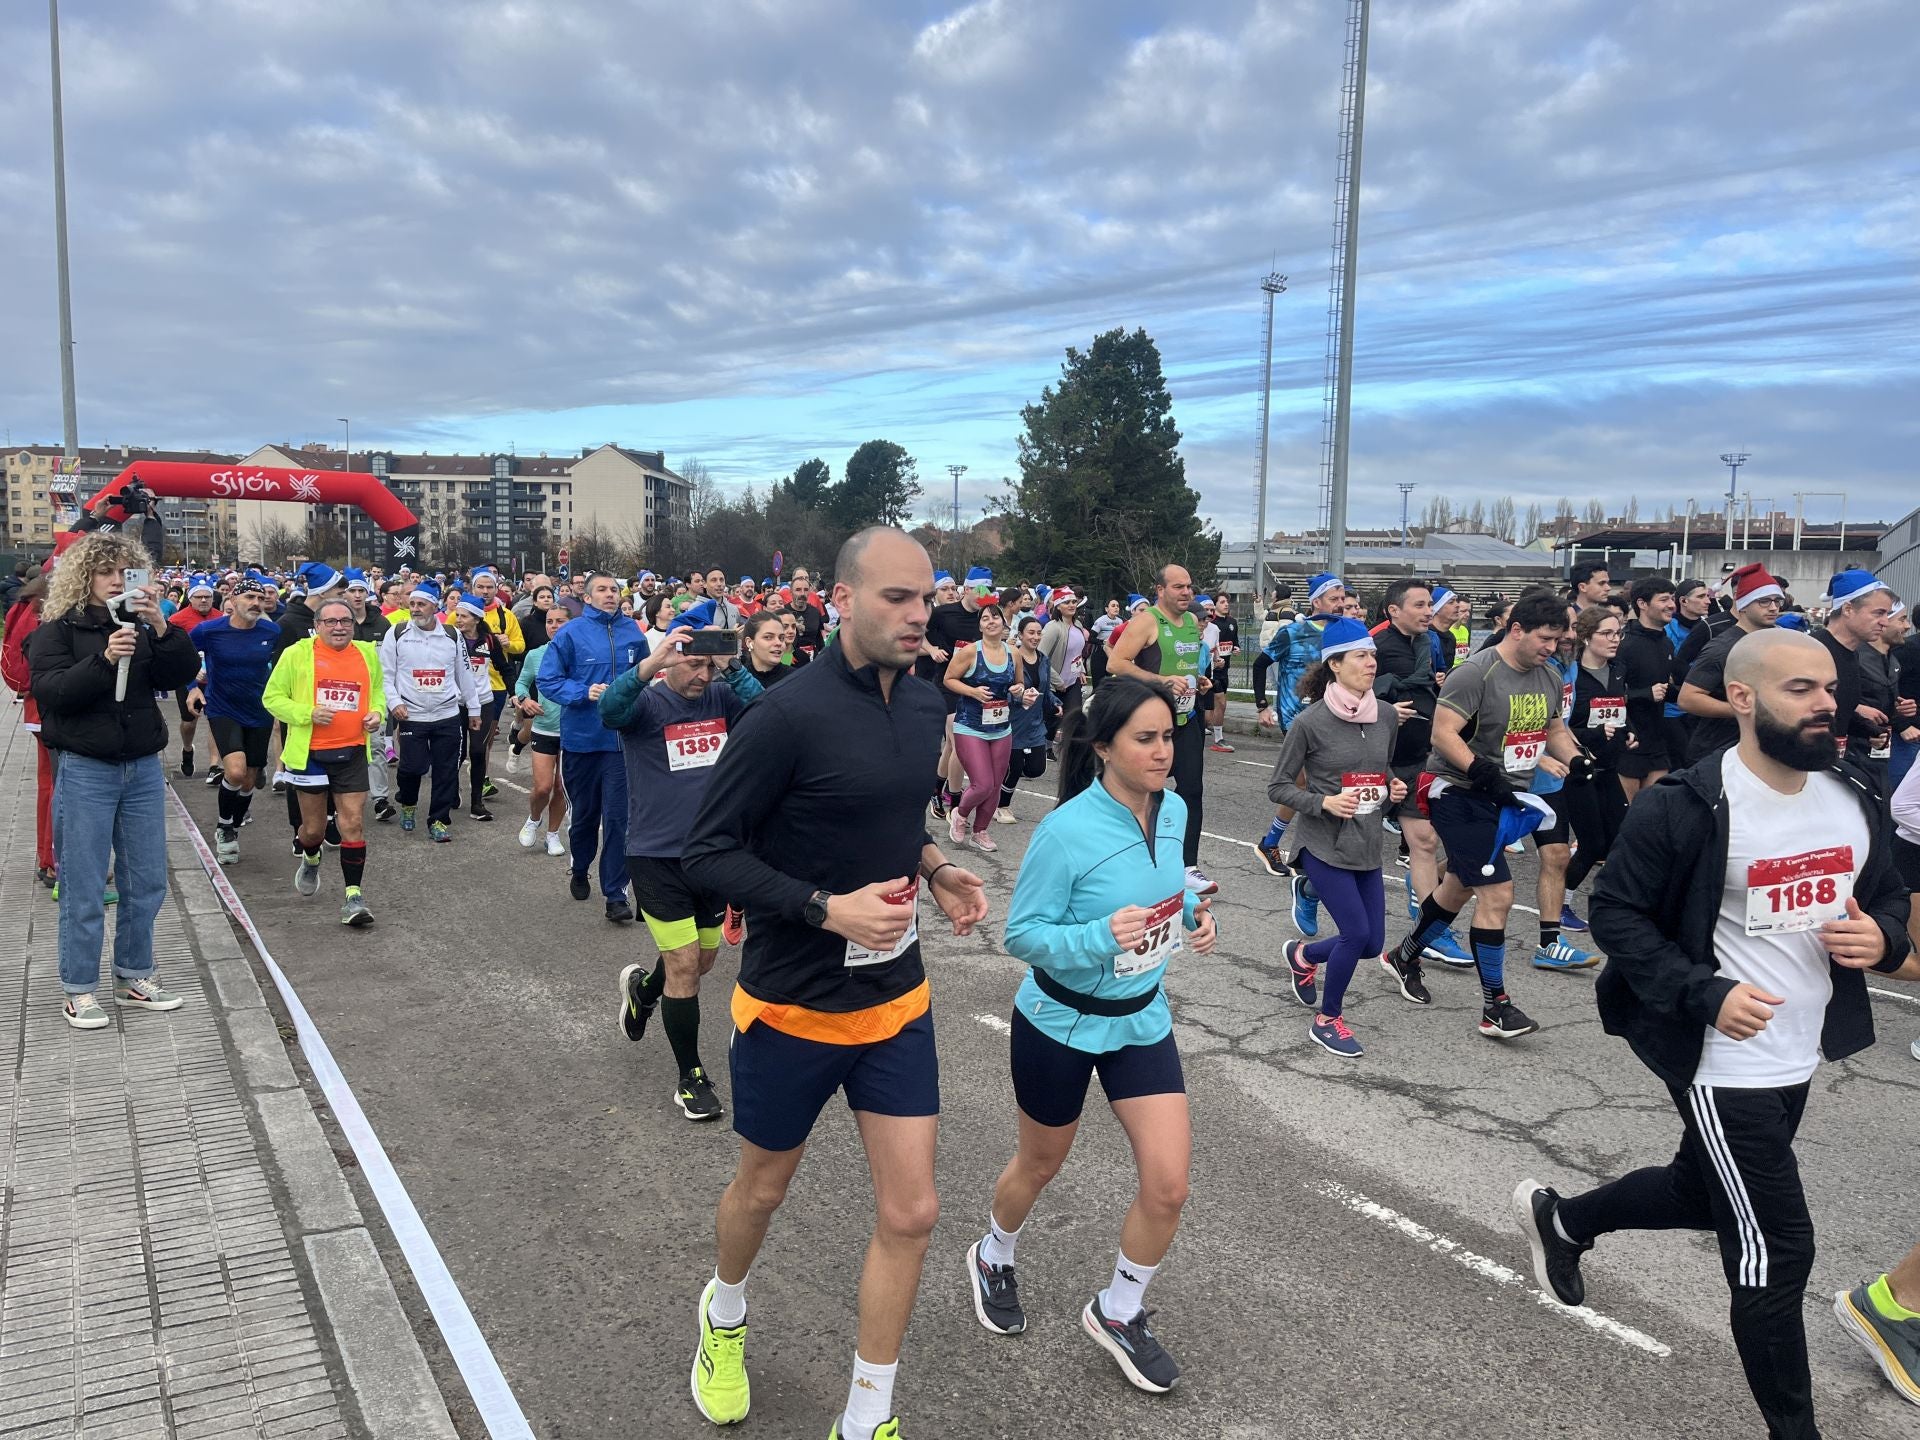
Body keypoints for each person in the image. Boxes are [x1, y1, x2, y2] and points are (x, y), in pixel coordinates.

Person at [1512, 629, 1914, 1440]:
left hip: (1800, 1046)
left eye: (1827, 687)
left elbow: (1886, 895)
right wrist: (1706, 993)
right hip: (1722, 1057)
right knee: (1777, 1247)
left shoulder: (1849, 793)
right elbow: (1619, 915)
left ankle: (1564, 1220)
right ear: (1742, 699)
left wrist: (1887, 941)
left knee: (1700, 1191)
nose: (1824, 702)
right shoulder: (1687, 803)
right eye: (1799, 689)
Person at [679, 527, 989, 1439]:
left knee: (915, 1209)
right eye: (895, 597)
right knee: (763, 1190)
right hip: (793, 1001)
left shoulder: (929, 705)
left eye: (924, 598)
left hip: (895, 1000)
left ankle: (868, 1416)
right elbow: (708, 853)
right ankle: (723, 1314)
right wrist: (825, 908)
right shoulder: (785, 714)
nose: (915, 613)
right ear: (842, 601)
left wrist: (933, 866)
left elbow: (890, 817)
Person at [966, 675, 1216, 1392]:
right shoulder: (1067, 830)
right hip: (1060, 1022)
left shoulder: (1174, 810)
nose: (1163, 751)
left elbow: (1172, 881)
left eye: (1168, 736)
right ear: (1103, 747)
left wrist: (1196, 911)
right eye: (1145, 739)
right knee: (1040, 1164)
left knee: (1168, 1187)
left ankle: (1120, 1310)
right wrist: (1099, 937)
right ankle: (994, 1252)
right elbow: (1022, 934)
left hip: (1141, 1017)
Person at [1380, 591, 1581, 1033]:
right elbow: (1443, 733)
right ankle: (1496, 1007)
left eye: (1558, 639)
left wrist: (1579, 760)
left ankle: (1403, 956)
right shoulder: (1477, 672)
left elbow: (1553, 728)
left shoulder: (1547, 675)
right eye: (1545, 638)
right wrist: (1481, 769)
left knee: (1458, 886)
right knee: (1497, 894)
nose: (1552, 647)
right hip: (1457, 790)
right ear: (1516, 630)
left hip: (1506, 797)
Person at [29, 532, 201, 1028]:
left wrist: (162, 626)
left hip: (142, 766)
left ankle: (132, 977)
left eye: (127, 572)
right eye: (107, 572)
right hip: (86, 768)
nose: (118, 581)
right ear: (85, 579)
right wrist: (104, 659)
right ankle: (79, 988)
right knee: (83, 883)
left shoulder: (143, 626)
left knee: (146, 880)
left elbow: (180, 671)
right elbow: (53, 692)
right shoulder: (58, 630)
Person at [602, 609, 760, 1123]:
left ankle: (643, 991)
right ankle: (690, 1076)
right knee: (687, 965)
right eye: (692, 666)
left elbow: (769, 712)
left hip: (712, 854)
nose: (701, 676)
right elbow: (609, 709)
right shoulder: (646, 701)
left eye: (707, 667)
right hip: (654, 854)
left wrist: (731, 666)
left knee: (702, 961)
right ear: (670, 660)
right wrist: (651, 664)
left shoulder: (721, 693)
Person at [1267, 619, 1402, 1056]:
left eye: (1372, 655)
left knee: (1373, 943)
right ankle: (1328, 1020)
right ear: (1335, 664)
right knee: (1354, 933)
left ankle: (1303, 957)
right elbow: (1279, 787)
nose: (1371, 662)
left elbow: (1380, 770)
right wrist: (1323, 802)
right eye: (1361, 656)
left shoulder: (1384, 714)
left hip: (1366, 844)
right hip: (1322, 845)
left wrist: (1392, 787)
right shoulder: (1310, 722)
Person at [263, 596, 385, 927]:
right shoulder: (297, 655)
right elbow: (272, 698)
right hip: (310, 755)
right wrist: (308, 713)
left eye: (345, 621)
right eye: (330, 622)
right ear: (317, 626)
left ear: (353, 625)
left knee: (352, 824)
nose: (339, 627)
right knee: (314, 830)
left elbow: (377, 694)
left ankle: (353, 897)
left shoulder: (367, 654)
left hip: (353, 751)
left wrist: (376, 713)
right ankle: (311, 855)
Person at [539, 573, 649, 923]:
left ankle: (615, 894)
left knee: (619, 820)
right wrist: (583, 692)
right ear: (586, 598)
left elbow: (646, 676)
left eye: (614, 590)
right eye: (602, 590)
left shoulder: (634, 631)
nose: (610, 595)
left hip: (622, 743)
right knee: (585, 817)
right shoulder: (570, 633)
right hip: (583, 742)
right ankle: (580, 866)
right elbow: (548, 680)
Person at [1106, 565, 1216, 895]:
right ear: (1160, 590)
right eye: (1178, 587)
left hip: (1185, 719)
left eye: (1189, 587)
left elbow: (1183, 666)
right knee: (1144, 791)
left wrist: (1199, 682)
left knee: (1192, 789)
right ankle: (1129, 858)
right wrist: (1161, 682)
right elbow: (1116, 664)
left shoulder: (1192, 624)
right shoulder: (1147, 621)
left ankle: (1187, 866)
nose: (1186, 592)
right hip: (1148, 723)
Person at [378, 580, 485, 843]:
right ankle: (409, 803)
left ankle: (438, 819)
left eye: (421, 604)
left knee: (446, 771)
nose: (415, 609)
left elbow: (464, 673)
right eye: (412, 603)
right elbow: (385, 675)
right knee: (412, 768)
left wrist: (473, 708)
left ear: (434, 606)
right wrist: (395, 703)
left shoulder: (451, 635)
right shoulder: (397, 632)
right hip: (411, 713)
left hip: (446, 713)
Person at [187, 579, 281, 866]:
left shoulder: (271, 630)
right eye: (249, 597)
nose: (256, 603)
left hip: (259, 709)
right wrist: (192, 685)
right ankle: (224, 826)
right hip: (223, 706)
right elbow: (183, 656)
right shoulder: (209, 630)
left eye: (260, 598)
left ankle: (233, 827)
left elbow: (282, 665)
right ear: (233, 599)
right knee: (237, 771)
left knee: (250, 777)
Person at [1678, 565, 1784, 763]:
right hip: (1717, 751)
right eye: (1764, 601)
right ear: (1742, 604)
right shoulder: (1724, 646)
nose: (1773, 607)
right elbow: (1688, 699)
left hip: (1755, 748)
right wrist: (1743, 710)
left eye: (1777, 601)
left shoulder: (1773, 640)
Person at [944, 600, 1018, 851]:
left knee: (995, 785)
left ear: (1003, 622)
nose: (991, 621)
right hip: (970, 726)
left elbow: (1017, 687)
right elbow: (949, 679)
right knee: (983, 783)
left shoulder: (1013, 653)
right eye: (985, 618)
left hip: (1001, 727)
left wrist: (1022, 692)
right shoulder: (969, 652)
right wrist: (973, 692)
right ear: (980, 626)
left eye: (995, 617)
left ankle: (980, 831)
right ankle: (960, 814)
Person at [922, 566, 990, 817]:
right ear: (968, 589)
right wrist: (931, 650)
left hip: (972, 685)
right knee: (958, 740)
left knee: (952, 746)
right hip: (946, 682)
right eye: (981, 590)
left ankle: (935, 789)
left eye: (988, 590)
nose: (985, 595)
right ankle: (956, 801)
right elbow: (919, 635)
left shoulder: (986, 615)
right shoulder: (943, 613)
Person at [1815, 569, 1894, 767]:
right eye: (1879, 613)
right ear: (1848, 609)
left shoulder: (1853, 653)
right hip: (1805, 765)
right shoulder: (1813, 651)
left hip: (1832, 761)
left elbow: (1843, 710)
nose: (1885, 622)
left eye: (1888, 614)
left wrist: (1869, 730)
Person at [510, 605, 571, 855]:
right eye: (549, 621)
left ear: (571, 624)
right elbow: (521, 683)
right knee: (543, 787)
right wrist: (524, 700)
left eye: (560, 621)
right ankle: (534, 819)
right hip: (545, 727)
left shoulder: (582, 655)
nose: (554, 626)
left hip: (573, 731)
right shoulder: (536, 655)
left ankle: (553, 834)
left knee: (561, 787)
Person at [1616, 575, 1677, 802]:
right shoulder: (1624, 644)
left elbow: (1667, 689)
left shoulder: (1666, 643)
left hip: (1658, 741)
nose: (1671, 605)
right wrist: (1644, 694)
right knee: (1626, 815)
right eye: (1664, 600)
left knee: (1652, 813)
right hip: (1629, 742)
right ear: (1642, 604)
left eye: (1672, 599)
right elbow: (1608, 695)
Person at [996, 614, 1060, 822]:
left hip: (1034, 723)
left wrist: (1055, 704)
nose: (1035, 637)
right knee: (1014, 768)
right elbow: (1001, 690)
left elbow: (1046, 688)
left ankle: (998, 783)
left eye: (1038, 633)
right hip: (1013, 721)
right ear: (1020, 635)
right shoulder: (1011, 658)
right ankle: (1002, 806)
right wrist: (1019, 697)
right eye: (1031, 633)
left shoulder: (1043, 659)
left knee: (1036, 768)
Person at [168, 576, 219, 776]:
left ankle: (215, 766)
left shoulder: (222, 618)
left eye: (207, 597)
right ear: (191, 599)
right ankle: (187, 749)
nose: (204, 600)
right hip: (188, 679)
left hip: (215, 679)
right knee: (189, 722)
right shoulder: (177, 620)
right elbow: (170, 650)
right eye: (199, 597)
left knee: (216, 719)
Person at [1036, 587, 1087, 727]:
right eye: (1066, 602)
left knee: (1074, 721)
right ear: (1058, 606)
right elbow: (1040, 657)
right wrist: (1057, 681)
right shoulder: (1052, 628)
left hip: (1073, 682)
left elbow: (1077, 652)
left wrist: (1081, 669)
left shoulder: (1078, 624)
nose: (1071, 605)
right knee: (1054, 725)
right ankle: (1050, 748)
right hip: (1055, 685)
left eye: (1074, 602)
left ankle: (1071, 748)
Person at [1203, 591, 1238, 752]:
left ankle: (1217, 737)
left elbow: (1230, 644)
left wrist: (1235, 648)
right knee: (1214, 708)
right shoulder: (1207, 624)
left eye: (1227, 602)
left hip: (1223, 670)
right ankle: (1214, 737)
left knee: (1218, 707)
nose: (1226, 604)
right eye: (1222, 602)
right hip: (1209, 672)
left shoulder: (1231, 623)